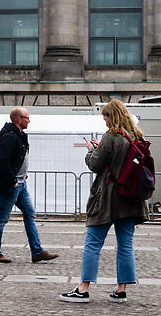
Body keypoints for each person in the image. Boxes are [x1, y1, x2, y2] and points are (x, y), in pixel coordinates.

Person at [63, 98, 149, 302]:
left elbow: (95, 164)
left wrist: (92, 150)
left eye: (105, 116)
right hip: (131, 198)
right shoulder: (136, 135)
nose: (104, 120)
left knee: (93, 242)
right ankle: (121, 290)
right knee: (126, 244)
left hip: (109, 198)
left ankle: (83, 289)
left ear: (112, 116)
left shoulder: (111, 137)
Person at [0, 106, 56, 265]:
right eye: (27, 118)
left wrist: (22, 176)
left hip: (21, 184)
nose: (29, 120)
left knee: (30, 214)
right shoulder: (10, 137)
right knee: (2, 218)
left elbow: (17, 158)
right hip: (12, 185)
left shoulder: (20, 136)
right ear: (18, 120)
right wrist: (12, 180)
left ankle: (37, 251)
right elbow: (3, 160)